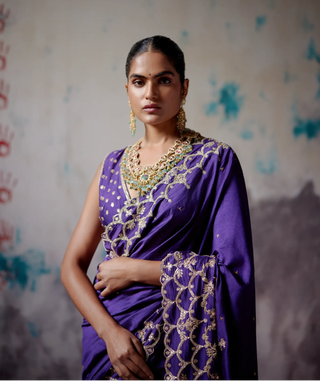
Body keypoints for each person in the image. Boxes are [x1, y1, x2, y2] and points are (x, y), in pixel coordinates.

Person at [61, 35, 258, 381]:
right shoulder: (111, 166)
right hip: (109, 344)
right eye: (139, 82)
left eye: (163, 80)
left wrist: (134, 270)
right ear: (127, 91)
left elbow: (233, 273)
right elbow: (71, 266)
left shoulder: (214, 161)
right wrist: (110, 333)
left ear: (183, 89)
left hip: (179, 341)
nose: (150, 93)